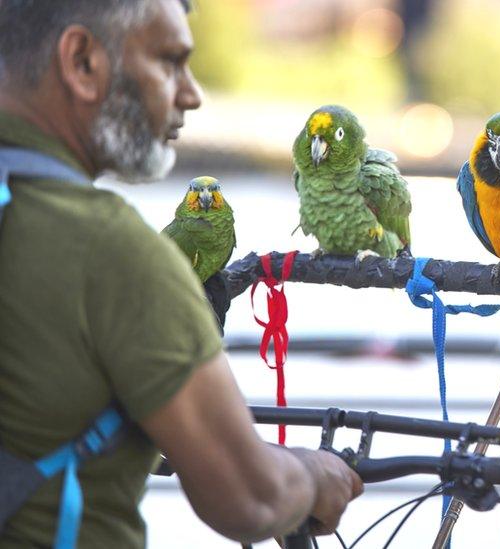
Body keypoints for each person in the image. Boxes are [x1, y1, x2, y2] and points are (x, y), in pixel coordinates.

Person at [0, 1, 362, 547]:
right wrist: (315, 473)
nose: (190, 94)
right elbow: (250, 497)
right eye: (169, 62)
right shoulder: (112, 251)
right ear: (81, 62)